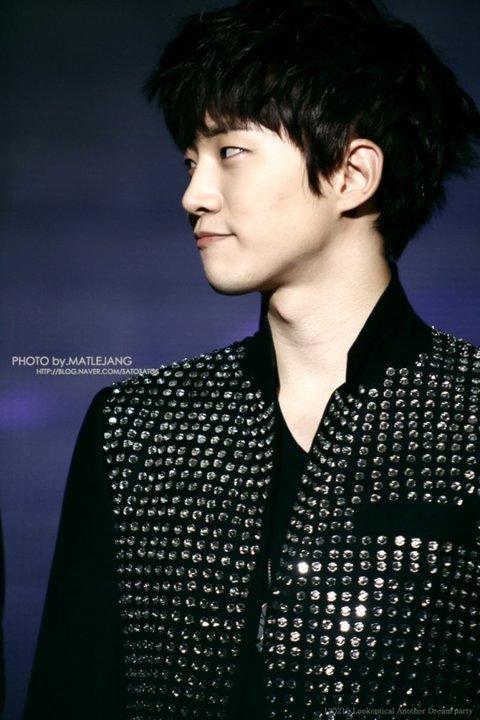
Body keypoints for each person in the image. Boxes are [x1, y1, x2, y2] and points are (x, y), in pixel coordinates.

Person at [24, 0, 480, 718]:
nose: (193, 195)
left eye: (230, 152)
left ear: (353, 174)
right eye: (190, 161)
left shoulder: (470, 414)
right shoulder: (134, 428)